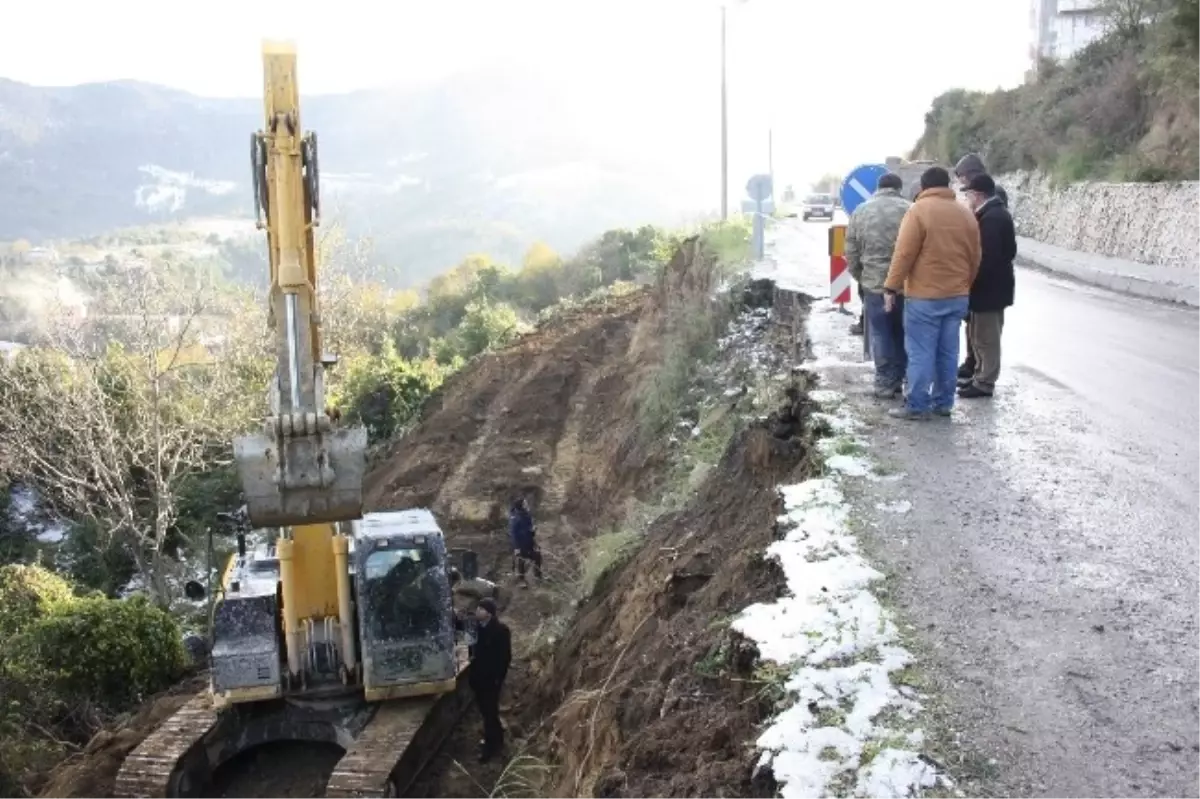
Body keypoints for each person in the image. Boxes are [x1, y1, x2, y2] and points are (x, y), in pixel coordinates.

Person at [882, 166, 981, 420]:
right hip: (957, 296)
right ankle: (944, 403)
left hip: (924, 298)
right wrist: (964, 285)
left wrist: (891, 287)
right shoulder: (965, 212)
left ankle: (917, 405)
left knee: (921, 352)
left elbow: (904, 254)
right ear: (947, 185)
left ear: (923, 188)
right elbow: (975, 256)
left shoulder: (918, 211)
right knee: (948, 352)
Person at [845, 172, 912, 398]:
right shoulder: (910, 209)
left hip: (873, 285)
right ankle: (902, 377)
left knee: (881, 333)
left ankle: (884, 381)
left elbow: (851, 252)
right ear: (899, 188)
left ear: (878, 187)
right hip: (905, 285)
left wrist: (862, 278)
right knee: (903, 331)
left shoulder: (860, 211)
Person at [958, 173, 1017, 398]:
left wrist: (971, 280)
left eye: (970, 194)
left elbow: (986, 258)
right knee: (978, 335)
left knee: (986, 337)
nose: (968, 199)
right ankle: (979, 376)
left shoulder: (992, 218)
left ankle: (985, 382)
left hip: (989, 290)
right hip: (990, 288)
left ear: (978, 194)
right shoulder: (992, 214)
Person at [953, 153, 1009, 381]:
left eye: (963, 178)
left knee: (985, 331)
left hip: (987, 281)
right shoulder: (988, 200)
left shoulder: (992, 205)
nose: (962, 184)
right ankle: (973, 364)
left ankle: (981, 371)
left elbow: (992, 249)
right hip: (981, 279)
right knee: (974, 327)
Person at [469, 597, 511, 762]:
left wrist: (499, 678)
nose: (478, 611)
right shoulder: (476, 629)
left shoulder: (501, 631)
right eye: (478, 608)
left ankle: (490, 747)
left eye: (481, 609)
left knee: (489, 712)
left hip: (491, 680)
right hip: (478, 678)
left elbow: (505, 657)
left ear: (489, 613)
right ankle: (497, 737)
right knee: (487, 711)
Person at [508, 497, 543, 587]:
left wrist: (532, 532)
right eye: (525, 504)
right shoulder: (515, 518)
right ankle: (521, 580)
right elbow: (514, 534)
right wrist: (517, 548)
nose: (527, 505)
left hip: (528, 542)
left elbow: (529, 530)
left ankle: (538, 577)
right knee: (521, 559)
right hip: (519, 544)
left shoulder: (527, 515)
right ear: (521, 506)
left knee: (537, 556)